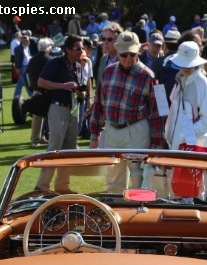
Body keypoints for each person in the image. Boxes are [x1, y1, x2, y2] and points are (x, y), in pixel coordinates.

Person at [88, 31, 163, 193]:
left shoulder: (150, 76)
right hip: (112, 129)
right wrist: (94, 134)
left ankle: (138, 207)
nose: (128, 58)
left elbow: (158, 112)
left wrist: (157, 144)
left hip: (136, 129)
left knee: (138, 177)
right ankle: (115, 206)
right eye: (124, 54)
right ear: (117, 51)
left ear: (138, 52)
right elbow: (99, 104)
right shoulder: (108, 72)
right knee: (113, 176)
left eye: (133, 54)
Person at [165, 40, 207, 201]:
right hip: (175, 146)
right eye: (182, 64)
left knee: (193, 193)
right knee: (175, 193)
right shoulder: (179, 80)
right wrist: (170, 135)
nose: (185, 67)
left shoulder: (203, 83)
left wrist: (186, 137)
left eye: (189, 64)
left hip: (191, 147)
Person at [36, 34, 88, 192]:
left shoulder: (78, 66)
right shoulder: (56, 63)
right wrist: (63, 86)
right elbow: (41, 82)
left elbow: (81, 89)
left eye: (82, 48)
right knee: (55, 147)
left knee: (70, 149)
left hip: (73, 108)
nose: (81, 51)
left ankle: (62, 185)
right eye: (77, 48)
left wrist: (81, 93)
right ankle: (42, 186)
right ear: (68, 50)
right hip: (58, 107)